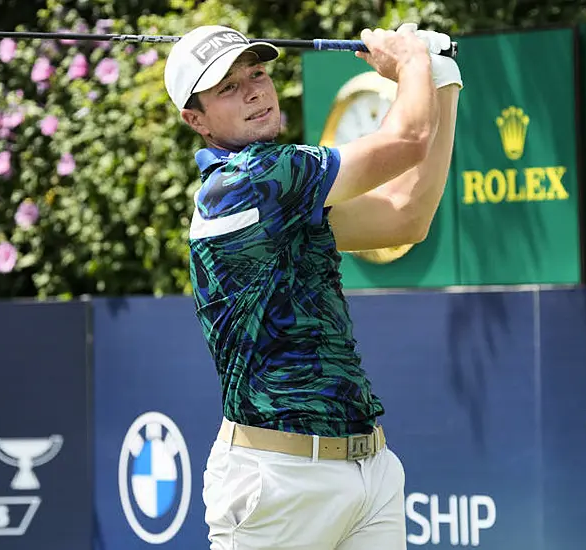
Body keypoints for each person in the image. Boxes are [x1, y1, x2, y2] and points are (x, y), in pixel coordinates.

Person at [163, 21, 462, 550]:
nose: (254, 89)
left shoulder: (288, 199)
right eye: (227, 88)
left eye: (256, 73)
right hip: (278, 481)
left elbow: (404, 217)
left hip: (367, 471)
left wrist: (442, 80)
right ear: (196, 121)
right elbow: (408, 141)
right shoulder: (249, 182)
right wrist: (410, 62)